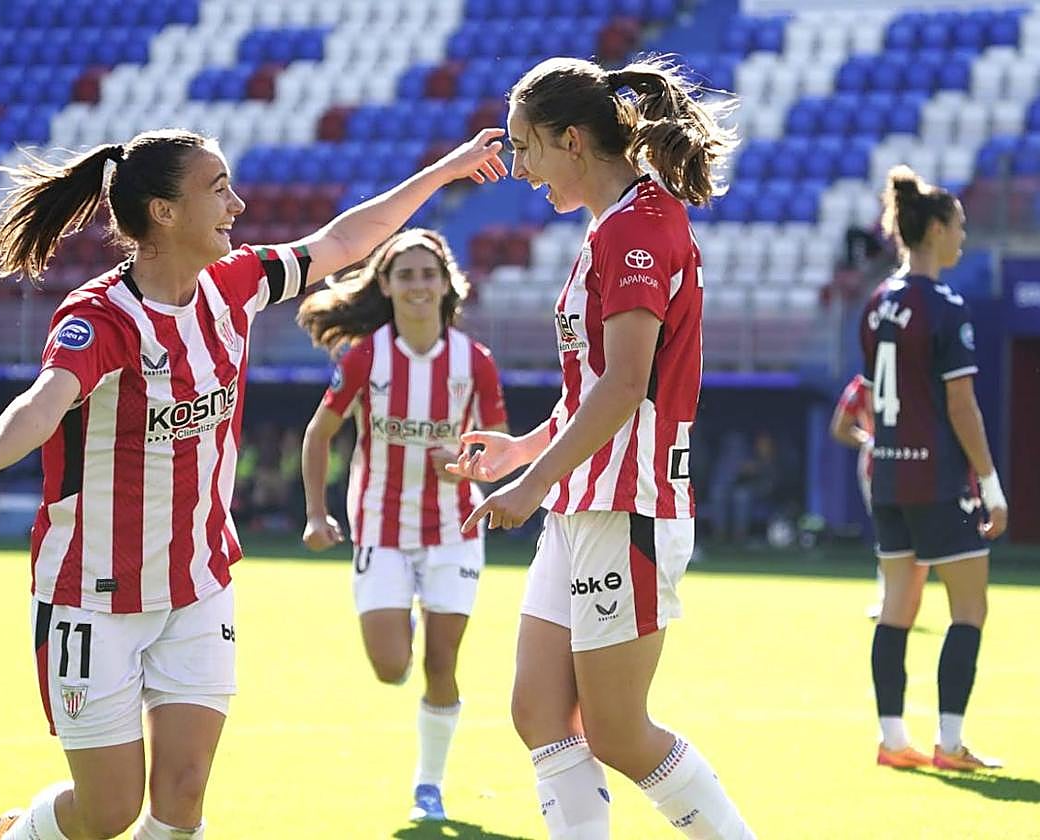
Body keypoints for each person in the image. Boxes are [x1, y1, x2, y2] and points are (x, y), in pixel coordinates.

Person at [0, 127, 506, 840]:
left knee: (184, 796)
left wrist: (442, 170)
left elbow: (345, 241)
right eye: (218, 187)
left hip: (198, 584)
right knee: (107, 811)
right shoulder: (101, 317)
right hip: (93, 594)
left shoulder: (237, 282)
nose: (239, 202)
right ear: (164, 212)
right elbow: (45, 400)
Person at [446, 56, 753, 839]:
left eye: (525, 148)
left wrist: (529, 485)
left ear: (572, 140)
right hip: (586, 501)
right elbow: (598, 396)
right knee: (539, 712)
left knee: (617, 731)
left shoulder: (640, 231)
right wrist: (525, 452)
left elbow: (623, 390)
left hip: (630, 507)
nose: (518, 168)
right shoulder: (613, 227)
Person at [297, 228, 509, 822]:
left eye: (428, 274)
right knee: (392, 668)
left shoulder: (476, 363)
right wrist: (317, 514)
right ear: (386, 285)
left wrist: (465, 466)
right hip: (381, 528)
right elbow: (319, 435)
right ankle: (406, 610)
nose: (419, 285)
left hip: (454, 530)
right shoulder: (367, 357)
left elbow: (499, 453)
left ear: (447, 285)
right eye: (406, 275)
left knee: (442, 663)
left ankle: (429, 788)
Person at [860, 165, 1008, 772]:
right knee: (969, 609)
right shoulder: (945, 306)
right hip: (938, 478)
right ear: (938, 229)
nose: (964, 238)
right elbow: (960, 404)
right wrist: (992, 484)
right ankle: (949, 743)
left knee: (897, 607)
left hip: (888, 476)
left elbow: (872, 396)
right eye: (960, 227)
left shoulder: (874, 303)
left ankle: (894, 741)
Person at [829, 373, 883, 617]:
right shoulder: (862, 387)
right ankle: (888, 600)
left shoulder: (913, 375)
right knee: (888, 534)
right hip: (877, 469)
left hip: (916, 464)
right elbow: (840, 428)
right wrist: (867, 440)